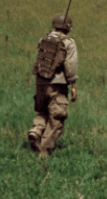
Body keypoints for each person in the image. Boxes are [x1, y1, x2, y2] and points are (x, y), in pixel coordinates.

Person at [28, 13, 78, 154]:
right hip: (58, 84)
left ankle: (36, 130)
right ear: (68, 27)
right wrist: (73, 86)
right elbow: (71, 65)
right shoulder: (68, 42)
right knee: (57, 117)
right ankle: (44, 150)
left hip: (40, 82)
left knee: (43, 110)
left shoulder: (43, 39)